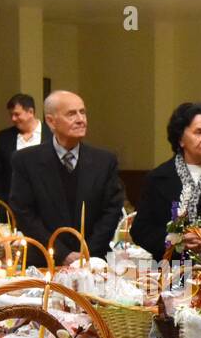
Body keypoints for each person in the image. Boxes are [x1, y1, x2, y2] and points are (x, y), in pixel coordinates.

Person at [9, 90, 125, 264]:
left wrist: (87, 254)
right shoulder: (26, 160)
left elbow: (111, 211)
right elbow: (24, 213)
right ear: (51, 121)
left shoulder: (105, 161)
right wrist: (63, 254)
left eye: (82, 112)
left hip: (93, 262)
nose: (81, 119)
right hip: (45, 262)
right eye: (71, 114)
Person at [129, 102, 201, 262]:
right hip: (171, 270)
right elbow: (141, 231)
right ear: (181, 139)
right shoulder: (158, 178)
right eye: (199, 132)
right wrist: (176, 240)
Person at [0, 93, 48, 203]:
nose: (13, 119)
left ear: (30, 112)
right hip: (13, 204)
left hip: (45, 204)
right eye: (11, 115)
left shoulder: (52, 135)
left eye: (17, 114)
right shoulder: (4, 137)